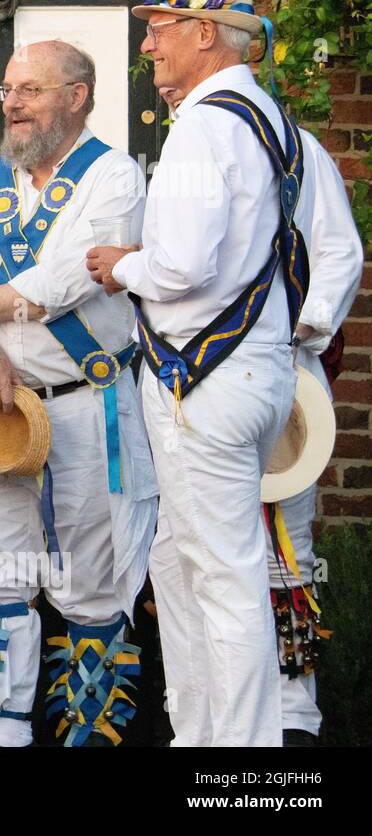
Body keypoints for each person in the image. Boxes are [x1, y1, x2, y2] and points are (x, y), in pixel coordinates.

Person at [88, 0, 312, 746]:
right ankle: (203, 740)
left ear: (206, 34)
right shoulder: (269, 120)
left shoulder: (205, 126)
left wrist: (120, 265)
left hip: (206, 383)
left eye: (161, 26)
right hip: (252, 371)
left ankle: (245, 765)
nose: (148, 41)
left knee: (222, 579)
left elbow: (181, 269)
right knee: (185, 563)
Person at [0, 41, 157, 746]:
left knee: (91, 576)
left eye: (29, 89)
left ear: (77, 96)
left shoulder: (116, 177)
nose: (13, 103)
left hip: (86, 409)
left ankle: (87, 736)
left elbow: (72, 280)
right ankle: (10, 730)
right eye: (7, 90)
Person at [155, 87, 363, 746]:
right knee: (191, 553)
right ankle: (212, 723)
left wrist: (300, 329)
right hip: (205, 376)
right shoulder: (206, 146)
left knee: (280, 547)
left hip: (272, 369)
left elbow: (340, 254)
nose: (157, 67)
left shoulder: (300, 155)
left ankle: (291, 715)